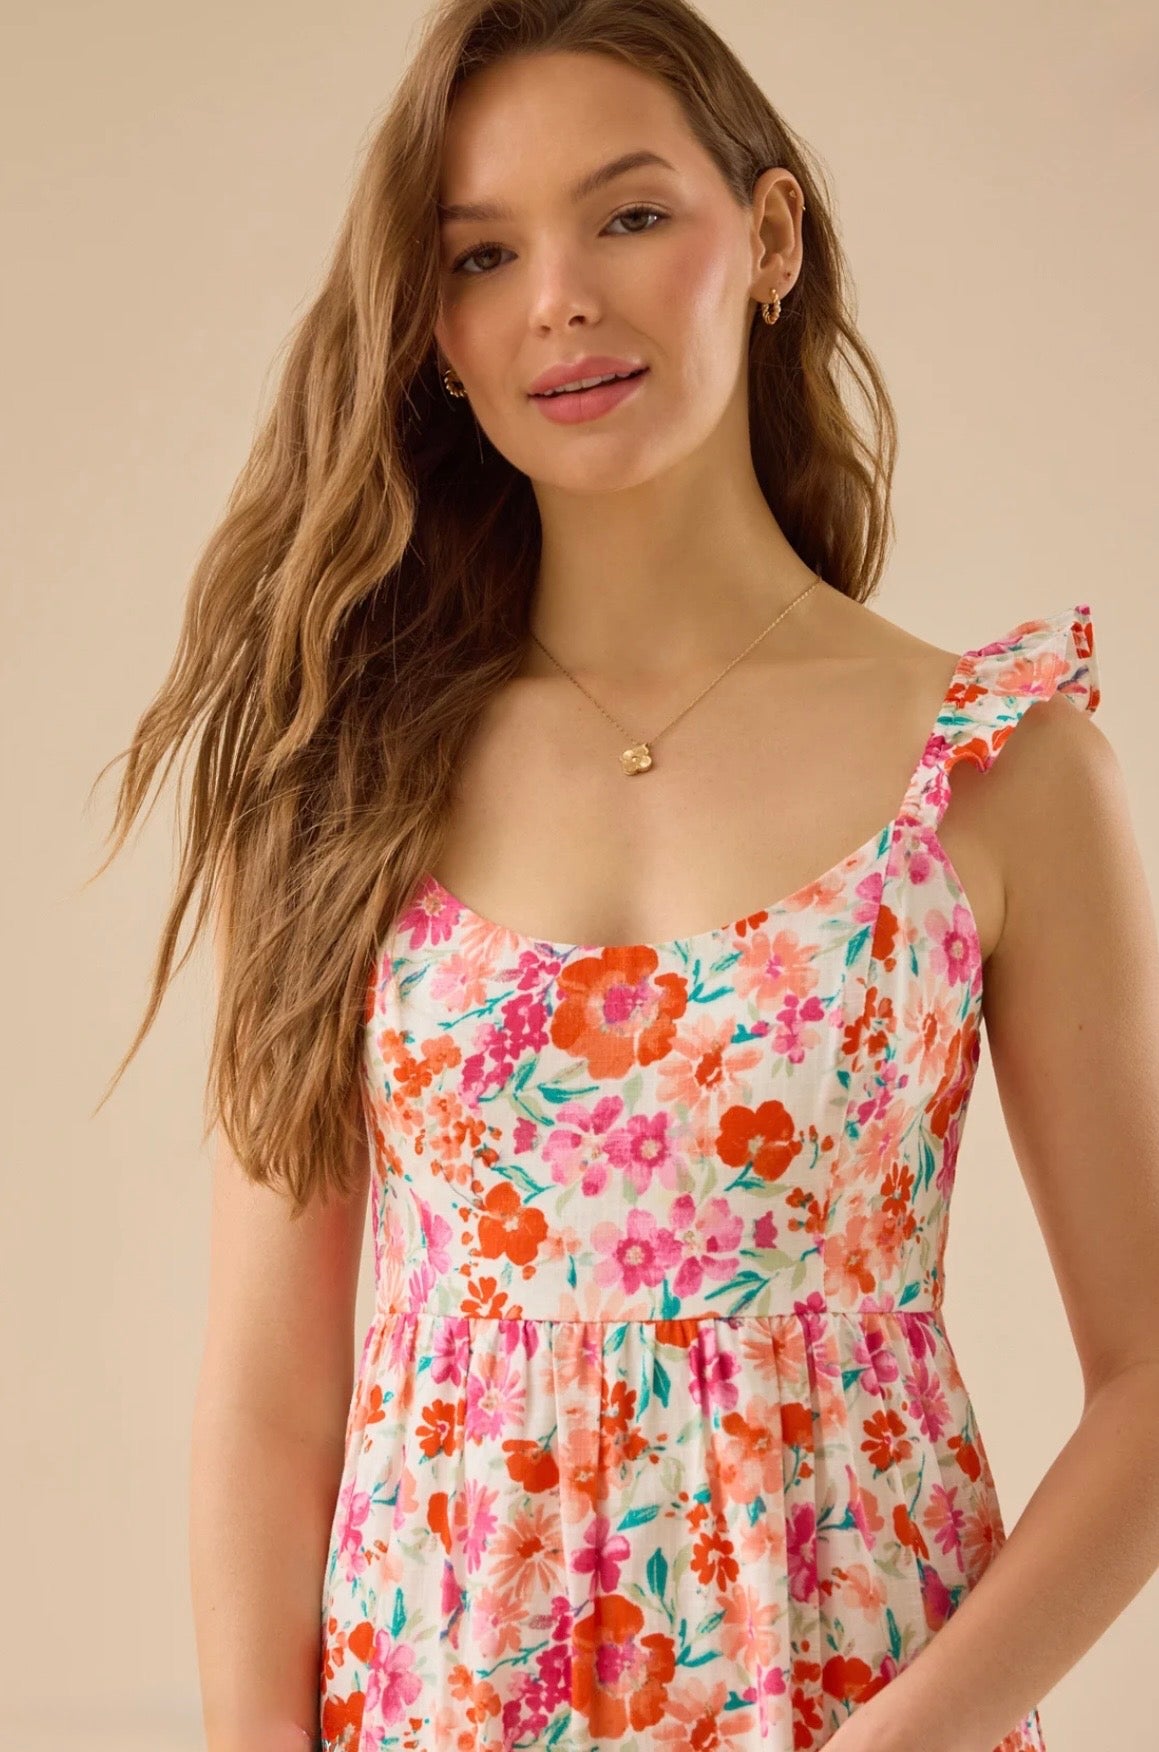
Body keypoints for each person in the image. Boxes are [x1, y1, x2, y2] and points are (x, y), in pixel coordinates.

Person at [88, 1, 1159, 1749]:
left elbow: (1153, 1383)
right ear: (435, 333)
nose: (561, 298)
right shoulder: (344, 777)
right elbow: (271, 1407)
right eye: (483, 254)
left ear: (772, 239)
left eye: (631, 214)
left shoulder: (999, 768)